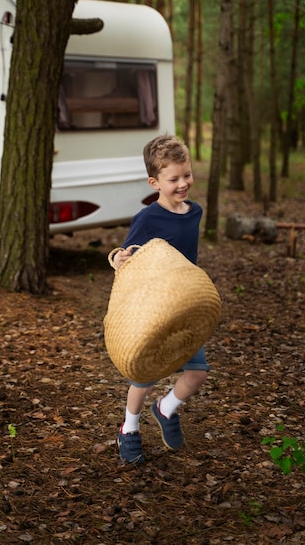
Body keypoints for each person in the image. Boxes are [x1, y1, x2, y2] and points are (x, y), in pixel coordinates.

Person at [111, 134, 210, 463]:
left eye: (187, 175)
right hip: (154, 309)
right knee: (143, 376)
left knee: (197, 372)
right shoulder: (148, 219)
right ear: (155, 182)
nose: (183, 184)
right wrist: (119, 259)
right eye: (174, 179)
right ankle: (129, 428)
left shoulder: (194, 212)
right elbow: (129, 256)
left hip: (185, 307)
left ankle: (166, 410)